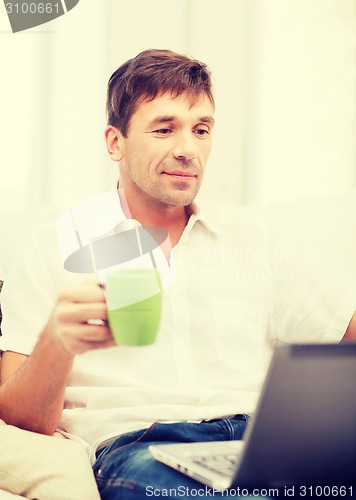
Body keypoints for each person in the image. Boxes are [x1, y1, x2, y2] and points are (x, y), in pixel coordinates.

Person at [0, 49, 355, 499]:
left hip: (261, 442)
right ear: (115, 142)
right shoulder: (54, 245)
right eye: (165, 129)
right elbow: (19, 421)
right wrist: (57, 341)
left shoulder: (256, 239)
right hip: (140, 448)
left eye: (201, 130)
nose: (187, 149)